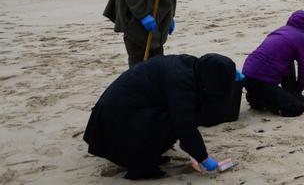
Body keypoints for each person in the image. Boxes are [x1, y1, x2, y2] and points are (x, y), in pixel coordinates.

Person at [83, 53, 237, 179]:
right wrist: (203, 158)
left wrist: (193, 150)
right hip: (114, 123)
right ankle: (140, 165)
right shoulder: (181, 81)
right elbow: (184, 125)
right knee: (170, 120)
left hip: (119, 114)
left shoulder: (192, 67)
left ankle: (147, 156)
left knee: (172, 117)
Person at [242, 10, 304, 117]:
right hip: (261, 81)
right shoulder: (301, 38)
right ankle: (264, 101)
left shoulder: (280, 30)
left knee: (287, 61)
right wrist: (299, 90)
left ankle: (259, 97)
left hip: (247, 75)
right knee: (296, 108)